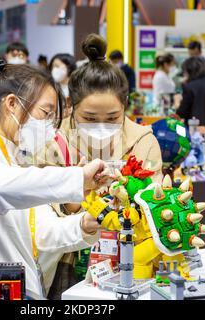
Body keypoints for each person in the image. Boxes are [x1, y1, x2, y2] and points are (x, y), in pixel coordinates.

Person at [0, 53, 113, 300]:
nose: (50, 130)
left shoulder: (15, 161)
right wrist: (76, 178)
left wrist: (84, 224)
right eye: (45, 114)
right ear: (11, 104)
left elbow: (42, 234)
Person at [35, 34, 163, 299]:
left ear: (125, 106)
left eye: (113, 117)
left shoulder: (142, 141)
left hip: (130, 259)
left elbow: (155, 204)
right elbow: (39, 207)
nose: (101, 124)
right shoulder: (53, 140)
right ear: (71, 107)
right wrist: (76, 195)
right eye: (90, 118)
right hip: (67, 261)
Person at [176, 56, 205, 132]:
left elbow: (182, 113)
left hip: (194, 130)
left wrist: (177, 101)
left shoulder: (190, 87)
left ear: (190, 71)